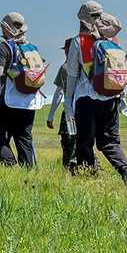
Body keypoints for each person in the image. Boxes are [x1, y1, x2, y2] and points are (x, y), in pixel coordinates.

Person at [63, 1, 127, 187]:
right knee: (110, 142)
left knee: (85, 142)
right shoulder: (114, 42)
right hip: (112, 97)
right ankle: (125, 169)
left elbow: (71, 75)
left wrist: (68, 102)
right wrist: (122, 98)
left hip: (86, 100)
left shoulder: (78, 42)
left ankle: (89, 181)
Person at [0, 13, 45, 167]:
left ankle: (9, 164)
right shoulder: (32, 48)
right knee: (24, 138)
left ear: (6, 28)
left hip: (10, 100)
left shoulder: (4, 47)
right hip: (30, 101)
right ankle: (28, 174)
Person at [47, 39, 77, 171]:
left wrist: (51, 115)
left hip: (70, 112)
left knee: (68, 142)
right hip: (86, 110)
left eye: (66, 50)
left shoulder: (65, 68)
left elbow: (59, 92)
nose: (65, 52)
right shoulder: (86, 66)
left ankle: (69, 170)